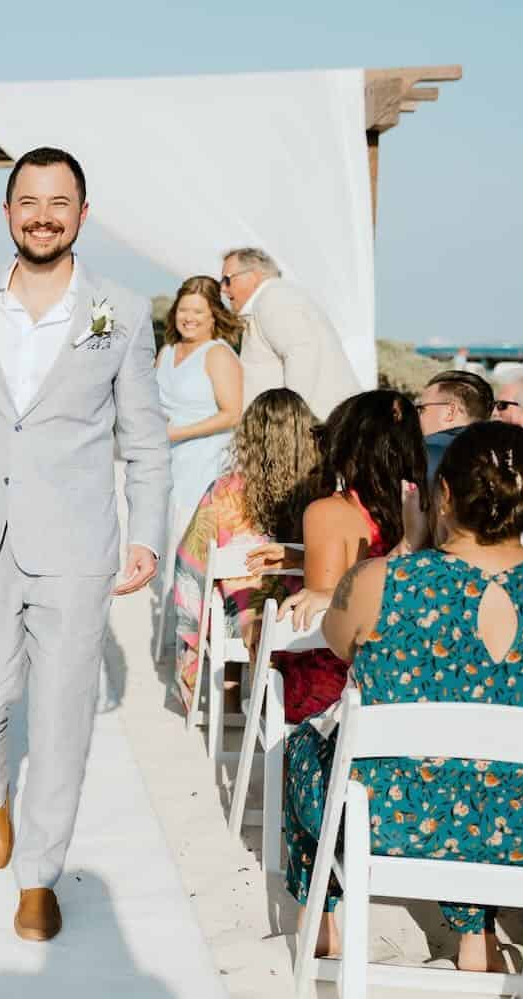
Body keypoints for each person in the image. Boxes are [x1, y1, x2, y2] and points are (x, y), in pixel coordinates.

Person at [0, 147, 169, 941]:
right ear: (7, 211)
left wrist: (149, 534)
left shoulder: (121, 311)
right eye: (29, 201)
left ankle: (39, 876)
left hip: (78, 544)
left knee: (61, 718)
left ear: (82, 214)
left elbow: (147, 438)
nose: (44, 215)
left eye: (60, 202)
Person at [288, 421, 523, 973]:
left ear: (443, 495)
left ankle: (327, 922)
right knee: (486, 774)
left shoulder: (385, 580)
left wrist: (413, 544)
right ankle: (478, 940)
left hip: (392, 819)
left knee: (302, 747)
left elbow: (338, 644)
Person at [274, 390, 430, 723]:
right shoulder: (431, 506)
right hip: (417, 675)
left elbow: (319, 621)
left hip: (346, 687)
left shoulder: (329, 512)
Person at [168, 389, 319, 711]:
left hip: (242, 617)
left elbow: (191, 563)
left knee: (225, 598)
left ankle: (231, 692)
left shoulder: (225, 491)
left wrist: (194, 637)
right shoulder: (320, 491)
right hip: (306, 611)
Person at [220, 248, 359, 419]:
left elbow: (302, 354)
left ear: (253, 275)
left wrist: (288, 419)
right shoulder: (270, 300)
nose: (223, 289)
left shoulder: (273, 298)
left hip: (306, 429)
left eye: (227, 280)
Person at [156, 275, 244, 539]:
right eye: (183, 309)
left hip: (202, 463)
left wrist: (178, 433)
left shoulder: (218, 354)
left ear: (213, 316)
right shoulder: (167, 351)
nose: (188, 318)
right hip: (164, 461)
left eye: (197, 311)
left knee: (188, 539)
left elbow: (232, 414)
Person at [415, 369, 493, 481]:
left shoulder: (422, 454)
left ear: (450, 411)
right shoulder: (504, 454)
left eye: (421, 409)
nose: (417, 416)